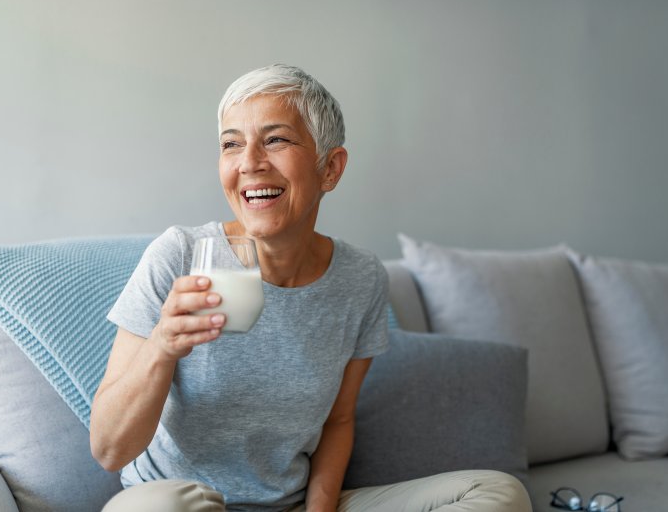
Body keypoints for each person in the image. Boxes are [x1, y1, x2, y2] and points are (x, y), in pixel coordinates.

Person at [90, 64, 532, 512]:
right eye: (231, 144)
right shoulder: (180, 254)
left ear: (330, 168)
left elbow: (338, 420)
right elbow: (109, 451)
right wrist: (162, 347)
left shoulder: (361, 279)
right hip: (179, 503)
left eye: (276, 139)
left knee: (497, 493)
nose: (249, 163)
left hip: (290, 505)